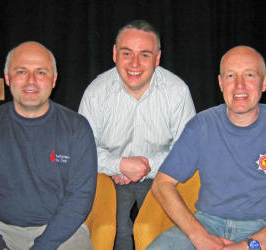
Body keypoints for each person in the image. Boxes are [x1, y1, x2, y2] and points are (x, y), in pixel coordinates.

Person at [147, 45, 266, 250]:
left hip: (264, 231)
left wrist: (252, 245)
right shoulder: (202, 125)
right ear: (221, 83)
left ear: (264, 82)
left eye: (249, 75)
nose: (239, 85)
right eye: (231, 76)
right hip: (206, 225)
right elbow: (162, 184)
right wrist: (198, 236)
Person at [78, 19, 196, 250]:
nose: (134, 63)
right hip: (108, 177)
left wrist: (146, 166)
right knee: (117, 233)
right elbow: (83, 150)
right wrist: (119, 165)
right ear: (114, 53)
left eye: (144, 54)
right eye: (127, 53)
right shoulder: (96, 92)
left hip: (160, 174)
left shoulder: (177, 91)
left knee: (157, 232)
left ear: (157, 58)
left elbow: (188, 150)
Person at [0, 41, 97, 250]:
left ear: (54, 79)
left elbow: (80, 199)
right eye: (21, 71)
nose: (31, 81)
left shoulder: (77, 128)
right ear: (7, 77)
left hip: (60, 232)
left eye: (41, 73)